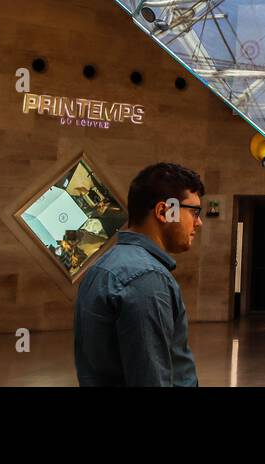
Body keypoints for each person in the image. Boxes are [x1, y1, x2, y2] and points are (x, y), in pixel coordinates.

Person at [74, 162, 205, 386]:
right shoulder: (146, 278)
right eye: (194, 211)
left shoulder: (103, 267)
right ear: (164, 211)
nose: (199, 222)